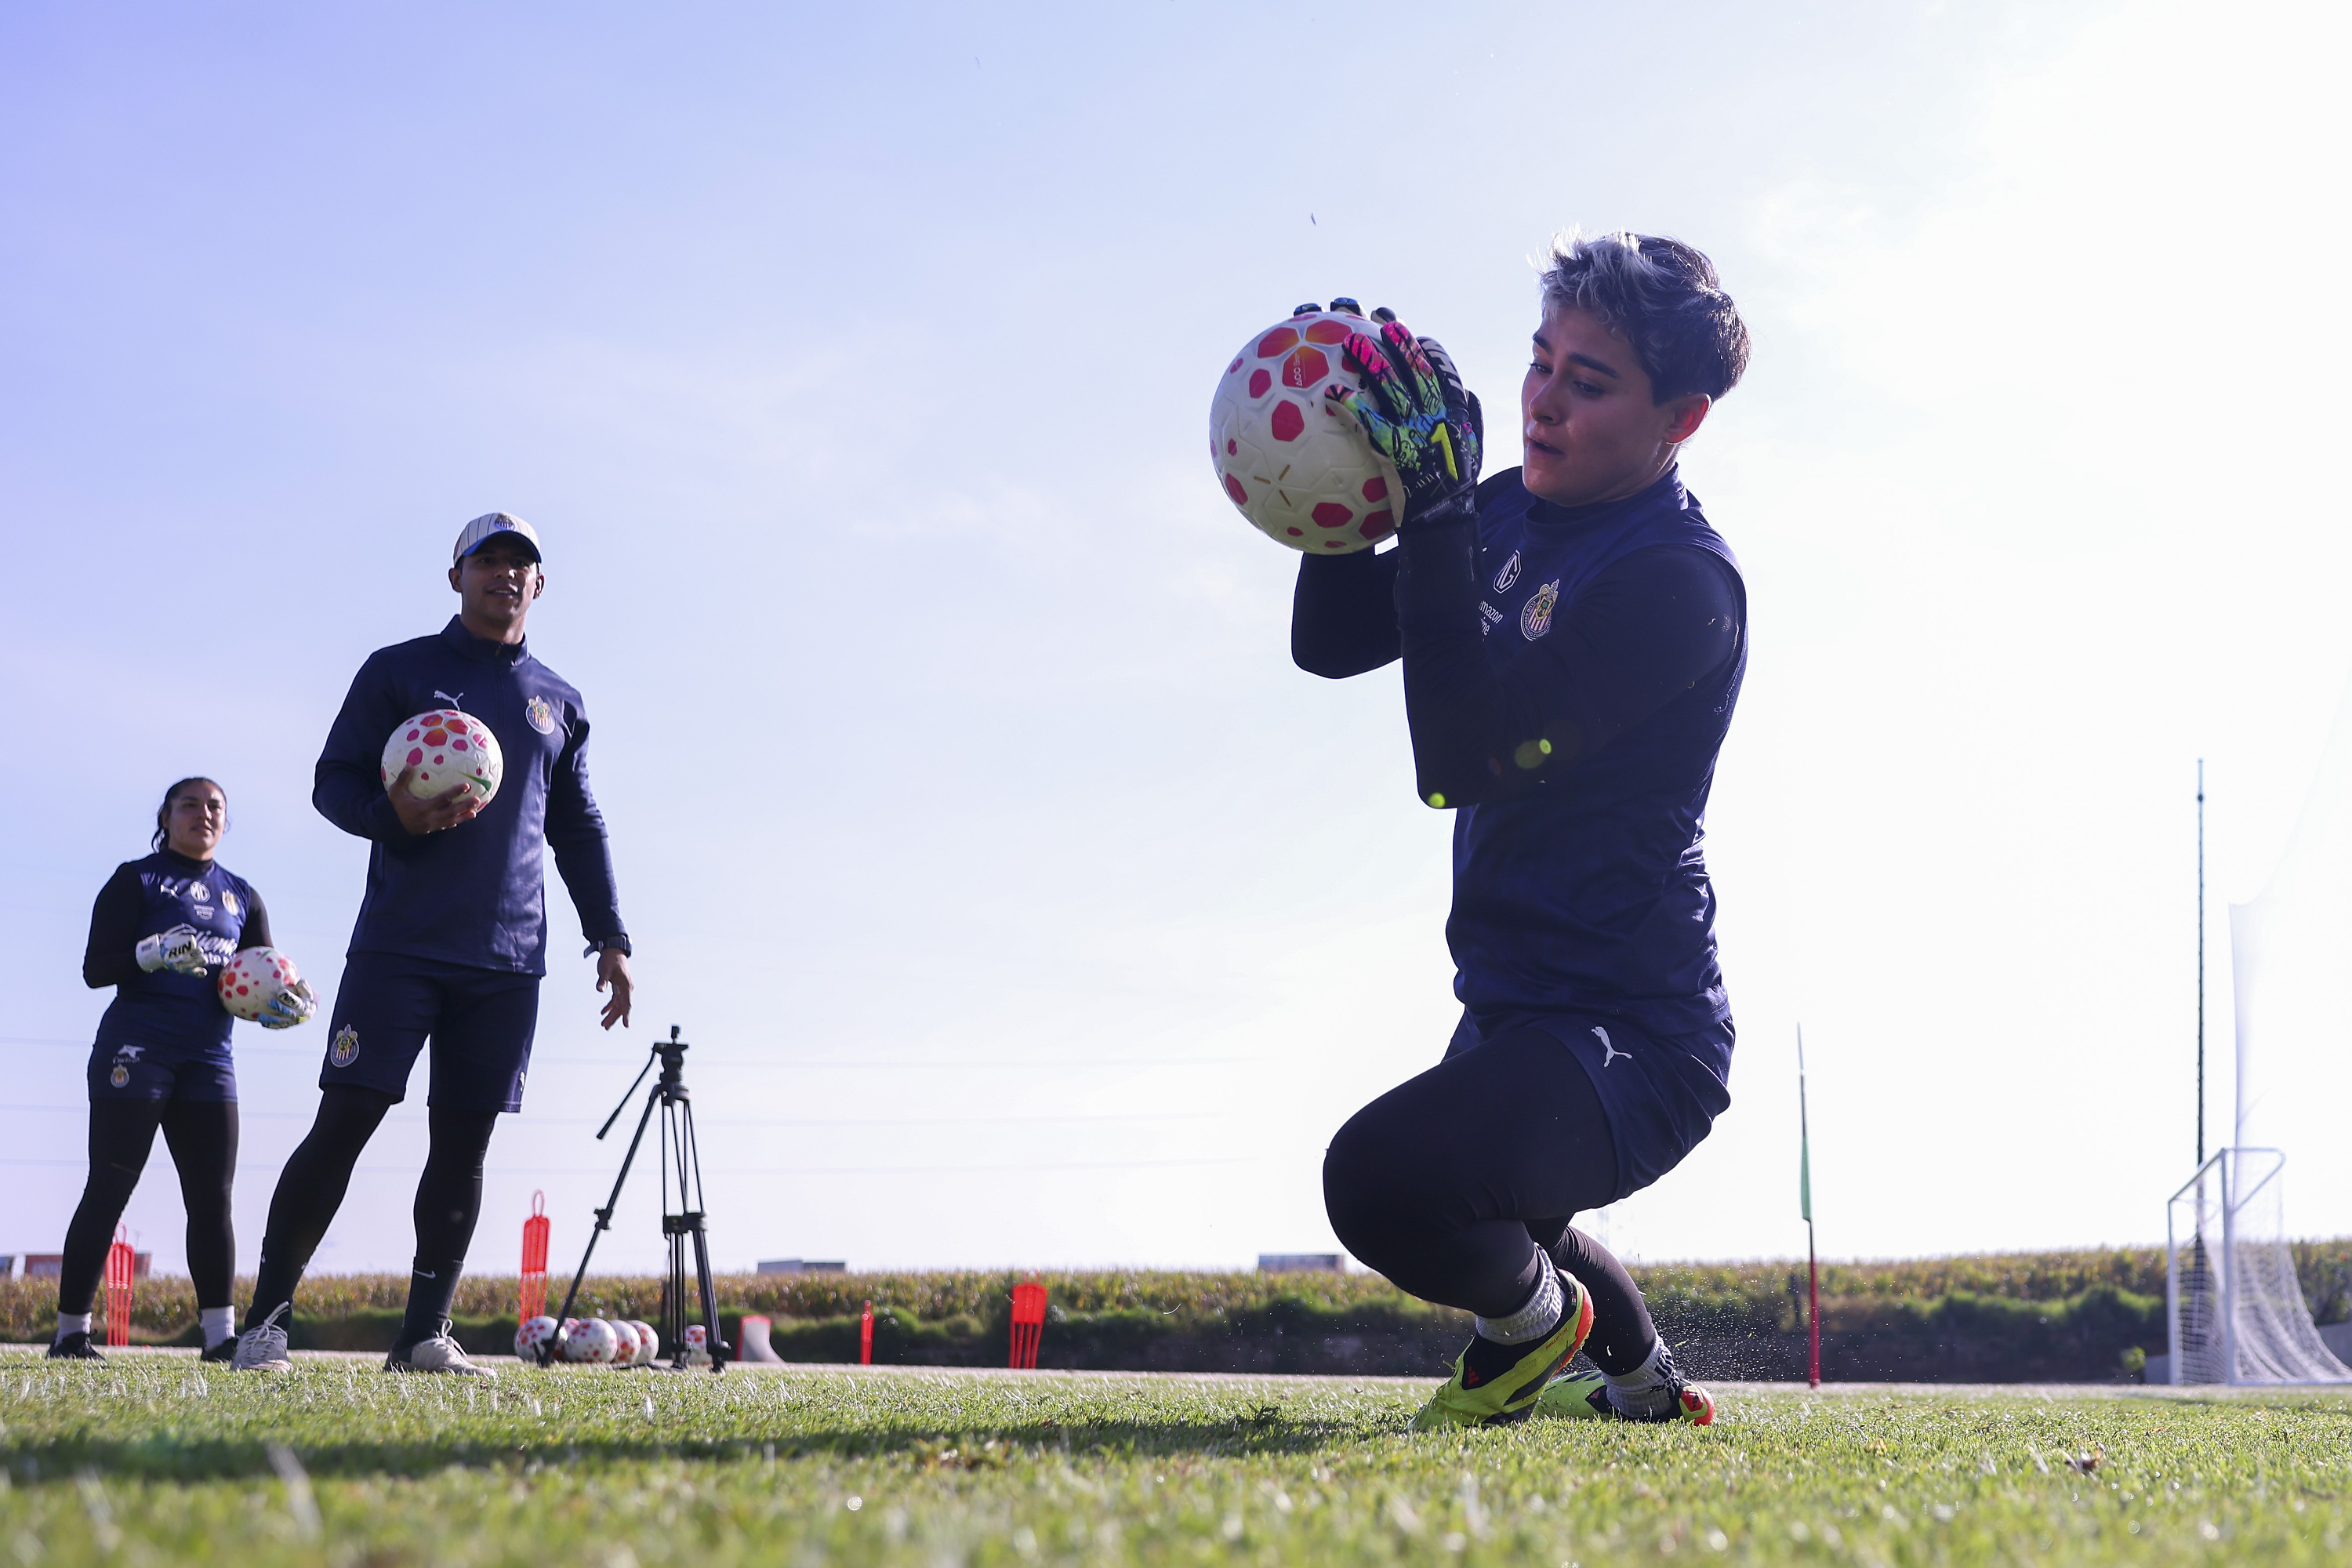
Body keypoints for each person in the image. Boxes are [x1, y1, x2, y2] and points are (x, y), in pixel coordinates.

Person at [1294, 232, 1750, 1428]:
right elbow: (1332, 643)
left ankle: (1540, 1329)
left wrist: (1439, 517)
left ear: (1681, 420)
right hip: (1517, 1004)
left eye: (1588, 383)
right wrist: (1348, 467)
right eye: (1540, 362)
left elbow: (1460, 763)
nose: (1542, 403)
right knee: (1509, 1218)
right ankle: (1647, 1389)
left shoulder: (1680, 584)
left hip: (1638, 1040)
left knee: (1380, 1183)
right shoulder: (1508, 509)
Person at [230, 512, 634, 1377]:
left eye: (521, 563)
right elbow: (333, 781)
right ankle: (264, 1323)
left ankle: (423, 1334)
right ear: (455, 575)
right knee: (345, 1121)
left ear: (540, 584)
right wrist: (390, 816)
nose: (506, 574)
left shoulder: (559, 700)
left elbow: (577, 823)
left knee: (463, 1147)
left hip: (508, 959)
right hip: (400, 946)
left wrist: (609, 934)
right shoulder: (399, 669)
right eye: (488, 559)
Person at [56, 777, 317, 1361]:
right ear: (167, 817)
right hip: (137, 1049)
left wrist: (287, 1003)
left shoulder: (243, 897)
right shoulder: (135, 879)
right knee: (109, 1186)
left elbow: (258, 980)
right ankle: (71, 1333)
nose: (204, 814)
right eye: (190, 804)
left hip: (209, 1062)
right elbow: (96, 969)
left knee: (211, 1198)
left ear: (225, 823)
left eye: (215, 807)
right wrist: (149, 953)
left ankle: (220, 1339)